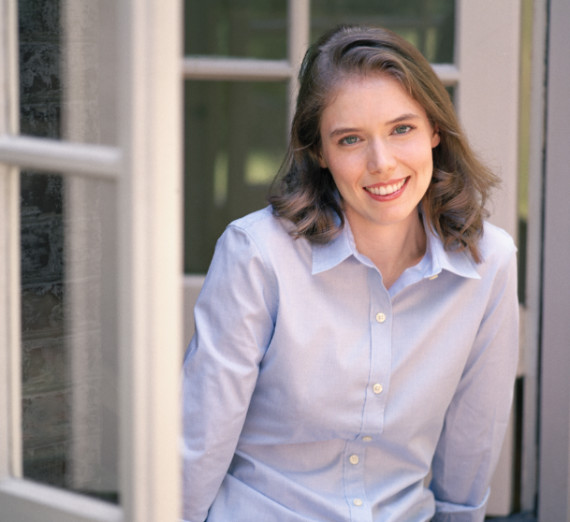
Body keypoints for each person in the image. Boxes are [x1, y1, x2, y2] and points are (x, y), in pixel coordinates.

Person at [181, 24, 519, 522]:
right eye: (351, 139)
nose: (381, 163)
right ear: (320, 152)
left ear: (434, 130)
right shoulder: (259, 255)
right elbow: (199, 442)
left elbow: (474, 437)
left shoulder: (488, 262)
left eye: (401, 129)